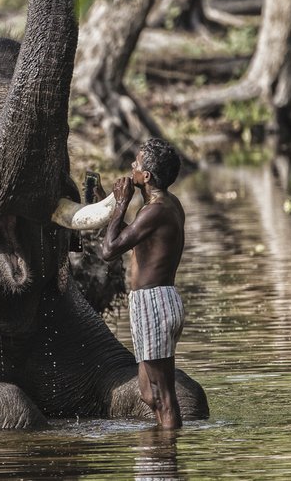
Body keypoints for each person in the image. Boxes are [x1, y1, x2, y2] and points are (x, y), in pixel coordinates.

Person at [100, 138, 186, 429]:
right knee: (150, 394)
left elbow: (109, 250)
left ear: (146, 176)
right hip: (157, 302)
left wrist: (121, 203)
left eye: (136, 164)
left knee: (161, 395)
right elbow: (130, 238)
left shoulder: (155, 210)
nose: (132, 167)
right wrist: (114, 212)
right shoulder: (164, 205)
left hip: (154, 303)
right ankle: (159, 457)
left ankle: (167, 460)